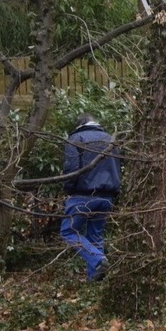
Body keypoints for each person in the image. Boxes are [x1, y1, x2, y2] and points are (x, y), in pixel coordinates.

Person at [60, 112, 121, 280]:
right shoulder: (110, 139)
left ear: (79, 124)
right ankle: (95, 281)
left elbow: (72, 168)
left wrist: (68, 188)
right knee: (95, 236)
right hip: (106, 196)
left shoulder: (76, 138)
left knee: (68, 231)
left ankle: (98, 259)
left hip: (83, 195)